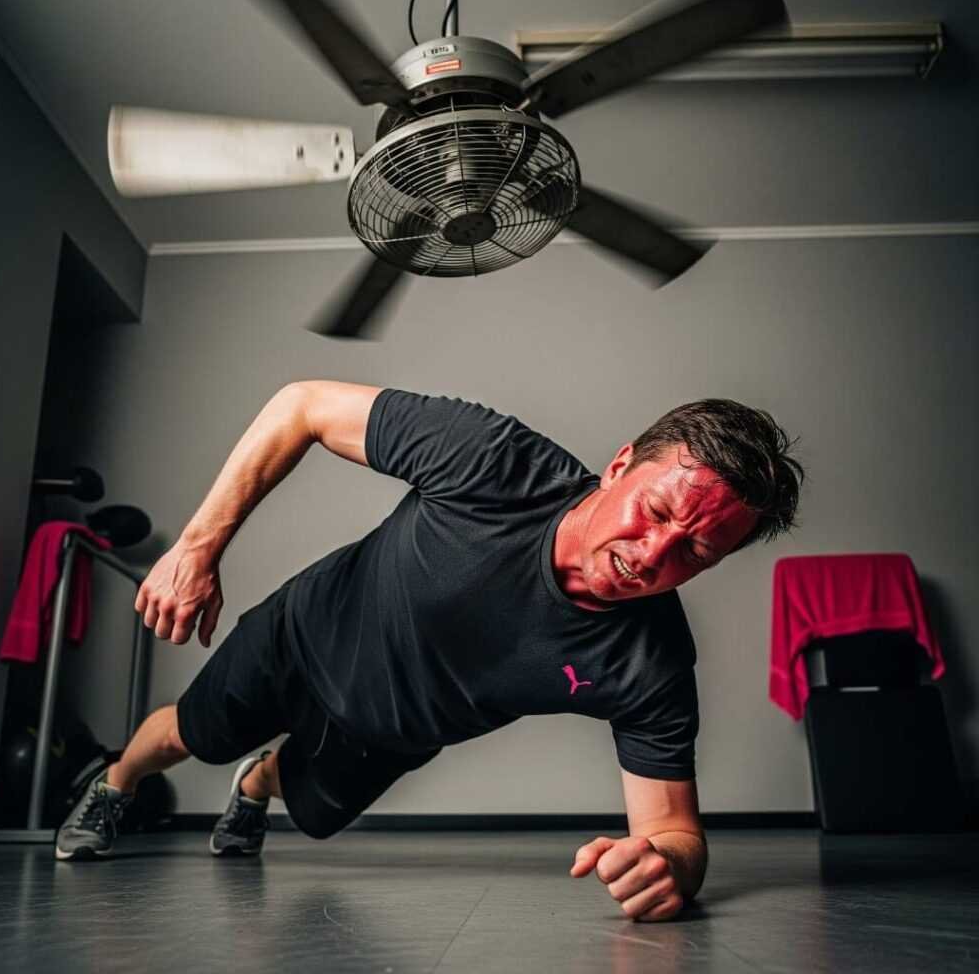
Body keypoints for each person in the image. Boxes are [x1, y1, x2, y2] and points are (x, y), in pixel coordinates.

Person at [55, 381, 802, 922]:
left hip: (390, 731)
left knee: (305, 808)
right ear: (619, 465)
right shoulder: (494, 462)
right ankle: (114, 784)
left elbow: (673, 830)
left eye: (699, 549)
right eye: (659, 510)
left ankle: (257, 787)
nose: (656, 552)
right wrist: (196, 547)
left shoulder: (652, 661)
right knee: (189, 735)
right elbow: (302, 406)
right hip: (305, 633)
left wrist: (667, 867)